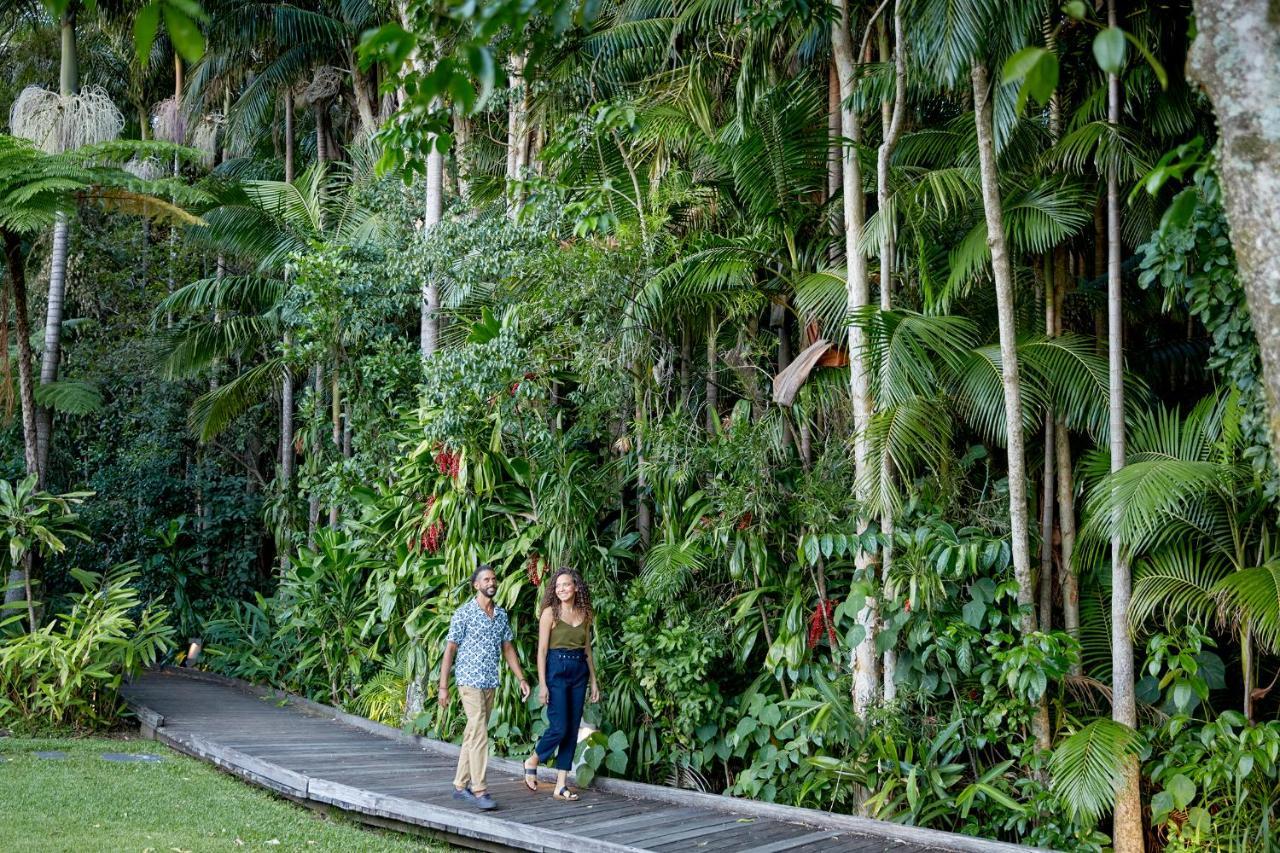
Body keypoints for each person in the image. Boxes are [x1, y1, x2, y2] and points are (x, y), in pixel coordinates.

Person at [438, 564, 531, 810]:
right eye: (486, 579)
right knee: (479, 732)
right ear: (476, 585)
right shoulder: (464, 613)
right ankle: (480, 790)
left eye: (494, 578)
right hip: (469, 681)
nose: (491, 582)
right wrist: (443, 687)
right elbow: (450, 649)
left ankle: (460, 785)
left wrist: (521, 678)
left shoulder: (500, 615)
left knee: (472, 733)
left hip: (490, 681)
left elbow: (508, 647)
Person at [522, 567, 600, 801]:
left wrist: (594, 681)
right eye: (558, 586)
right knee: (559, 726)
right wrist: (543, 685)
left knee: (572, 728)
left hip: (579, 671)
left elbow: (587, 650)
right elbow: (542, 651)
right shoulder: (550, 613)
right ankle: (533, 759)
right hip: (556, 668)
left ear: (576, 587)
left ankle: (561, 785)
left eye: (566, 585)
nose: (562, 589)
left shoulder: (585, 614)